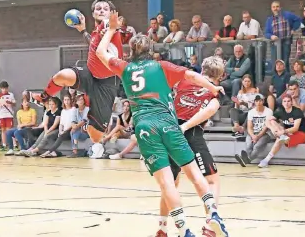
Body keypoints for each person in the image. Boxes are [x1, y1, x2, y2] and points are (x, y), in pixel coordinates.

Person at [96, 12, 228, 237]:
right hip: (169, 122)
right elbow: (193, 76)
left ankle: (182, 230)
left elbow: (100, 53)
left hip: (145, 126)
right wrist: (213, 88)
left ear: (131, 52)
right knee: (195, 174)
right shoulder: (161, 66)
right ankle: (213, 214)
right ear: (151, 49)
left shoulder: (124, 68)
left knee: (167, 183)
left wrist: (111, 29)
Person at [30, 0, 123, 145]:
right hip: (90, 74)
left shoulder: (109, 27)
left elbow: (110, 28)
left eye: (106, 9)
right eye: (98, 8)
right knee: (63, 75)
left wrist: (113, 26)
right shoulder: (95, 31)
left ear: (111, 13)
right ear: (93, 13)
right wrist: (83, 31)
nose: (102, 10)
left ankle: (89, 123)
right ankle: (44, 97)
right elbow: (93, 42)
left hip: (107, 83)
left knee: (96, 137)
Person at [152, 56, 226, 237]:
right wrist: (185, 126)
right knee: (212, 180)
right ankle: (211, 221)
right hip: (191, 132)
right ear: (221, 75)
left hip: (170, 131)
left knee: (170, 183)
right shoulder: (216, 91)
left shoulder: (185, 79)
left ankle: (162, 228)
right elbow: (209, 110)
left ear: (202, 68)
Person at [258, 95, 305, 168]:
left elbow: (295, 128)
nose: (286, 103)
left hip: (300, 134)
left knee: (280, 138)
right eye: (284, 101)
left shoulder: (297, 111)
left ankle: (266, 160)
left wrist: (283, 132)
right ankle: (266, 160)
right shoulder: (281, 111)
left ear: (291, 102)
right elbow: (267, 121)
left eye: (288, 101)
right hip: (287, 133)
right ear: (282, 103)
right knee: (272, 121)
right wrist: (273, 130)